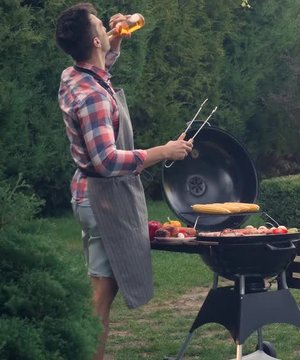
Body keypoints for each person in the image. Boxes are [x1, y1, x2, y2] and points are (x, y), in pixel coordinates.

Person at [56, 4, 193, 359]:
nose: (109, 25)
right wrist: (164, 151)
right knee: (101, 294)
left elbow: (101, 68)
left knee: (104, 288)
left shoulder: (73, 75)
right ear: (95, 41)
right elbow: (106, 161)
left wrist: (113, 44)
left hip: (87, 194)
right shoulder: (94, 97)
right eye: (102, 25)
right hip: (102, 198)